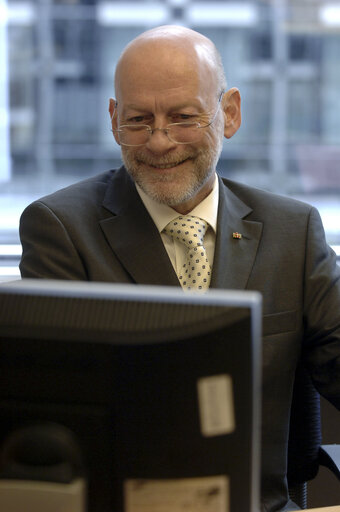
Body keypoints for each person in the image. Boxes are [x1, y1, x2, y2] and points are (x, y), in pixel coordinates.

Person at [19, 25, 340, 511]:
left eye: (184, 117)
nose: (160, 141)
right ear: (112, 119)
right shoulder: (60, 229)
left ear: (229, 113)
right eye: (138, 120)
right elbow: (51, 413)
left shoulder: (292, 231)